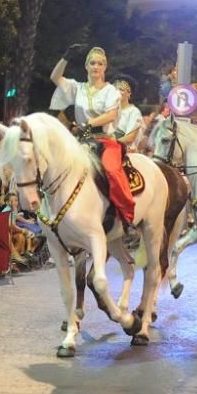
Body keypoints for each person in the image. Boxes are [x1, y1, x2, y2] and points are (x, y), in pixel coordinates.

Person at [50, 45, 139, 249]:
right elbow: (55, 78)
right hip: (81, 141)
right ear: (86, 66)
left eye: (100, 63)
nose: (96, 66)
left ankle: (128, 220)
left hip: (104, 140)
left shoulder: (111, 91)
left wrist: (89, 124)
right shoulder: (77, 88)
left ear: (105, 67)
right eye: (92, 63)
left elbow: (111, 115)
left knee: (111, 170)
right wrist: (65, 57)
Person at [112, 76, 144, 151]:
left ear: (129, 94)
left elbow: (130, 137)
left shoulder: (134, 112)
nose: (117, 92)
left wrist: (111, 143)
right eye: (115, 89)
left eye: (121, 89)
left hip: (123, 149)